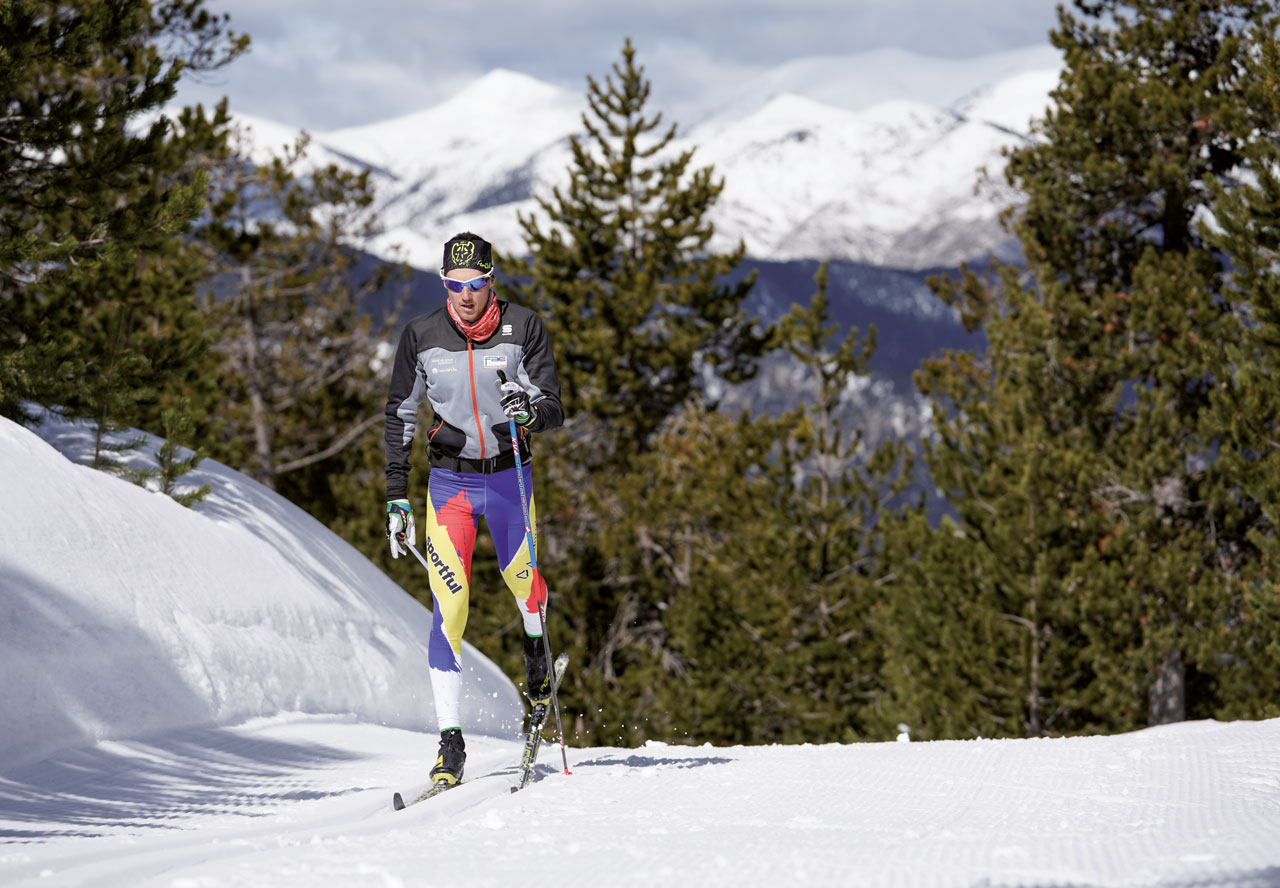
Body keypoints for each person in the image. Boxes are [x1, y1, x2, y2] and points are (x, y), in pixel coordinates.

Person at [383, 231, 564, 788]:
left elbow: (554, 405)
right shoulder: (421, 337)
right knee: (450, 605)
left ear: (492, 280)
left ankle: (537, 662)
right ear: (444, 283)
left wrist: (529, 412)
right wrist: (396, 494)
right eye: (455, 284)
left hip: (510, 479)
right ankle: (450, 744)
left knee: (523, 583)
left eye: (476, 283)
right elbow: (399, 415)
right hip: (451, 487)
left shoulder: (524, 327)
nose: (465, 295)